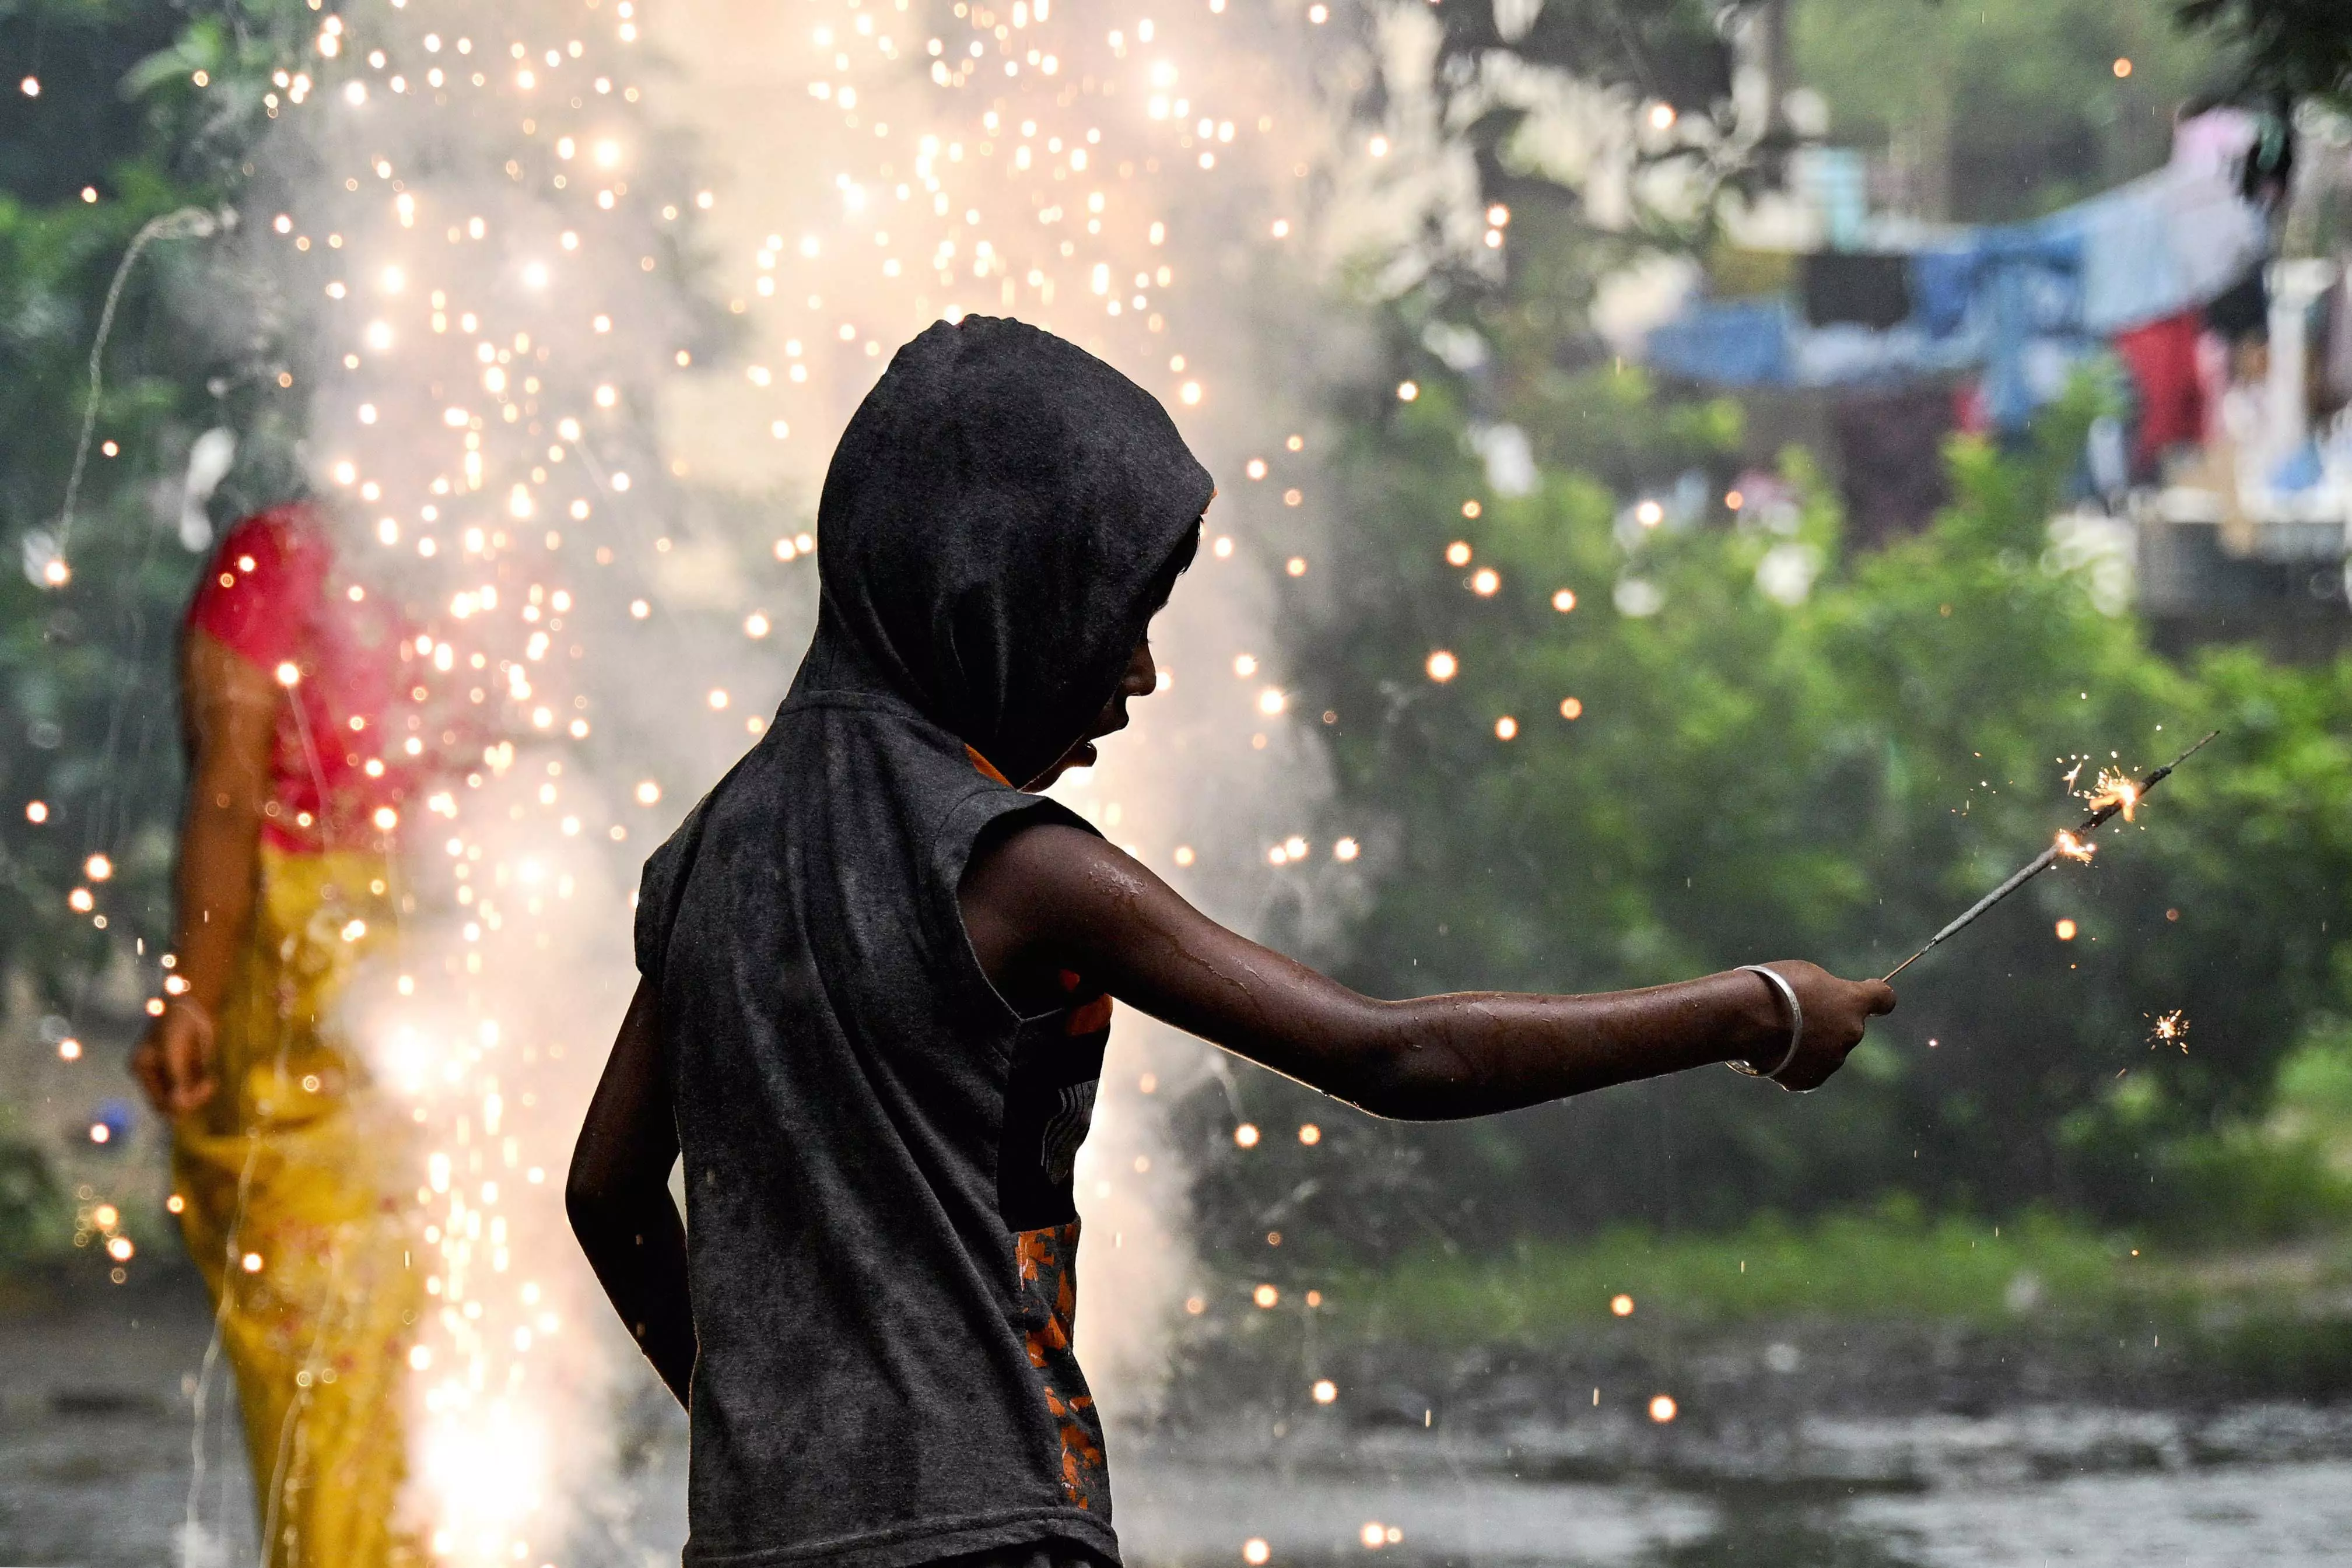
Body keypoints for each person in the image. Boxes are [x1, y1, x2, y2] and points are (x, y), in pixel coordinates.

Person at [566, 318, 1895, 1568]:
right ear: (996, 594)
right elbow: (1395, 1057)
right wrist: (1756, 1007)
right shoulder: (1020, 869)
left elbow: (608, 1197)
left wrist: (772, 1436)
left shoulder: (702, 861)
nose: (1138, 674)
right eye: (1111, 615)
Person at [133, 501, 426, 1568]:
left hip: (318, 994)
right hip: (440, 991)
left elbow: (227, 787)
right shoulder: (485, 562)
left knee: (332, 1349)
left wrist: (192, 996)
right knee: (421, 1343)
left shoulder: (278, 561)